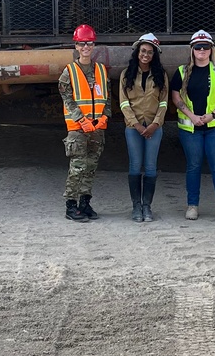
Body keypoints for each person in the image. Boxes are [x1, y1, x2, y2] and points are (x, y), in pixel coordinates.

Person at [171, 29, 215, 223]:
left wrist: (212, 115)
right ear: (192, 49)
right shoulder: (182, 72)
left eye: (205, 47)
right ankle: (192, 206)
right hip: (191, 129)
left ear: (211, 49)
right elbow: (176, 97)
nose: (202, 50)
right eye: (198, 47)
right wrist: (192, 116)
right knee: (193, 167)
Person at [58, 24, 110, 223]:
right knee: (78, 167)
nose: (86, 47)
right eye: (82, 43)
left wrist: (105, 117)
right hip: (78, 129)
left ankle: (85, 203)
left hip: (97, 128)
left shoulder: (101, 70)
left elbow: (106, 97)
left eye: (89, 43)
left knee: (91, 168)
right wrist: (81, 120)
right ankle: (70, 205)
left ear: (93, 45)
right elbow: (67, 99)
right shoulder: (68, 72)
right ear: (76, 46)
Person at [119, 33, 169, 223]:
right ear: (137, 52)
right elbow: (124, 103)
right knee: (134, 166)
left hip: (154, 128)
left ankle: (147, 206)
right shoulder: (127, 74)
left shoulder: (161, 75)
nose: (146, 55)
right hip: (134, 128)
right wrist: (137, 125)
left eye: (150, 52)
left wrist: (156, 124)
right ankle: (136, 206)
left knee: (150, 167)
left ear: (154, 55)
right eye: (143, 51)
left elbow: (163, 103)